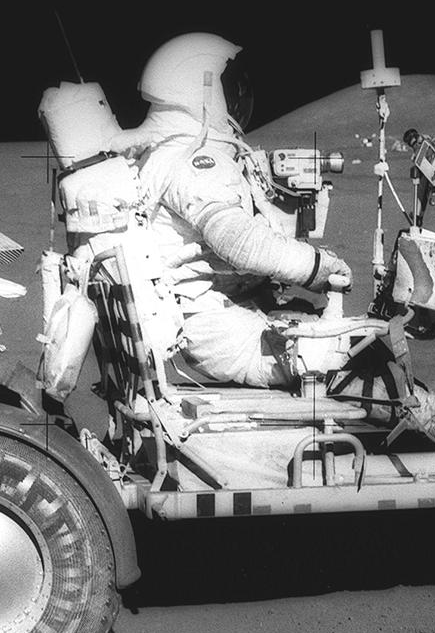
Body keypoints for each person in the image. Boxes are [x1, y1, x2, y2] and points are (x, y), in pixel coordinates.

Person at [109, 33, 352, 388]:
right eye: (230, 87)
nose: (238, 96)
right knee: (346, 360)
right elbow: (239, 243)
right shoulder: (195, 161)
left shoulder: (163, 152)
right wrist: (318, 266)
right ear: (203, 91)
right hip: (220, 331)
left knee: (327, 332)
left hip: (214, 316)